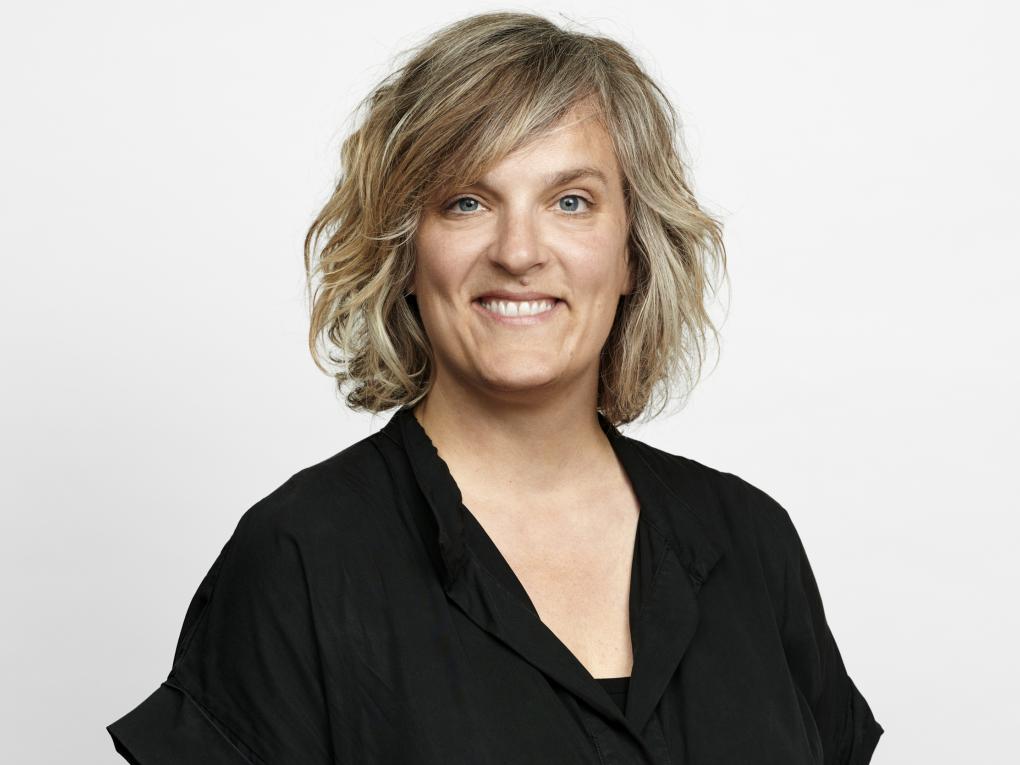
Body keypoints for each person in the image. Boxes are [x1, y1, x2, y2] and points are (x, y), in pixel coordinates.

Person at [106, 11, 884, 764]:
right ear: (406, 252)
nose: (518, 251)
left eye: (570, 201)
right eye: (467, 202)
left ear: (632, 253)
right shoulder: (300, 559)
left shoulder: (753, 543)